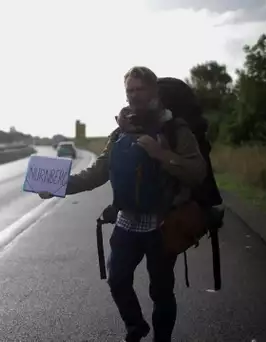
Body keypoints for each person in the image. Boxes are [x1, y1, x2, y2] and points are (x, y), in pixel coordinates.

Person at [39, 66, 206, 342]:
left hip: (163, 226)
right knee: (117, 280)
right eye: (131, 90)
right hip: (127, 223)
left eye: (141, 89)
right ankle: (135, 326)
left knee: (161, 291)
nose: (135, 95)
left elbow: (197, 171)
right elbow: (97, 172)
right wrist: (57, 186)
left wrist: (160, 153)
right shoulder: (119, 135)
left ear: (154, 91)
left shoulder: (176, 130)